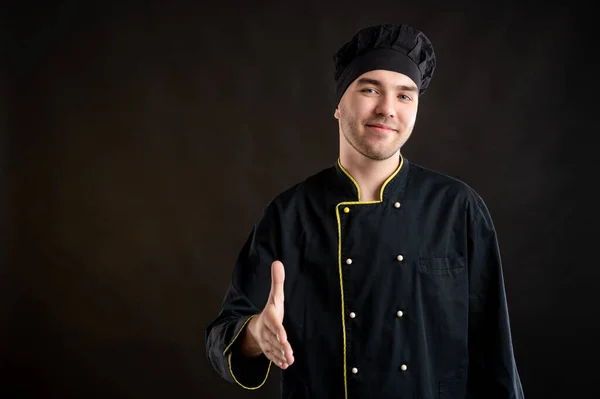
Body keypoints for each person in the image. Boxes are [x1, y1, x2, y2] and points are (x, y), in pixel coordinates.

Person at [205, 23, 524, 398]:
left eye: (404, 96)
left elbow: (496, 354)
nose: (387, 109)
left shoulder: (457, 208)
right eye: (370, 89)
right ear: (339, 104)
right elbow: (221, 336)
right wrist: (255, 334)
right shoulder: (289, 214)